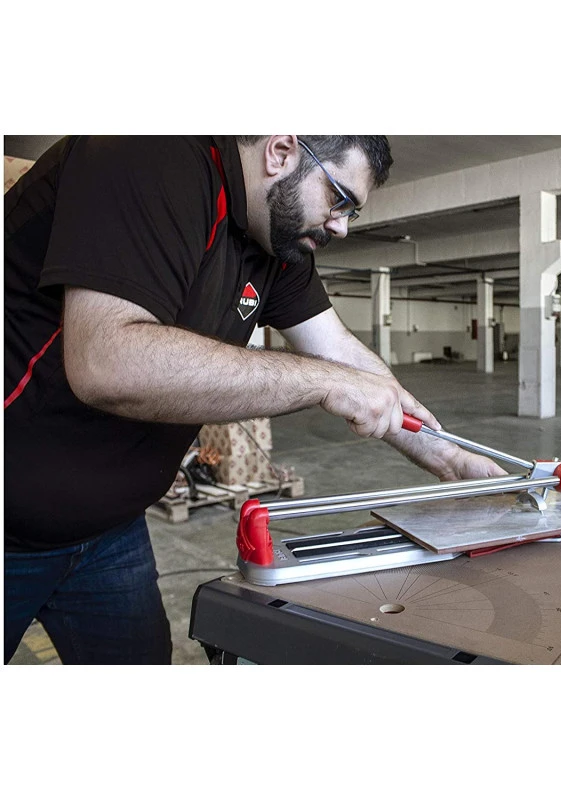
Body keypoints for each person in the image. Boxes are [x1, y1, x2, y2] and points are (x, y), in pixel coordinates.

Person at [4, 135, 505, 665]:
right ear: (281, 151)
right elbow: (107, 363)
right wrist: (324, 382)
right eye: (339, 198)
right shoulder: (147, 150)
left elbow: (341, 353)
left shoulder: (277, 241)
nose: (342, 226)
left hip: (108, 528)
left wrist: (456, 461)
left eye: (352, 212)